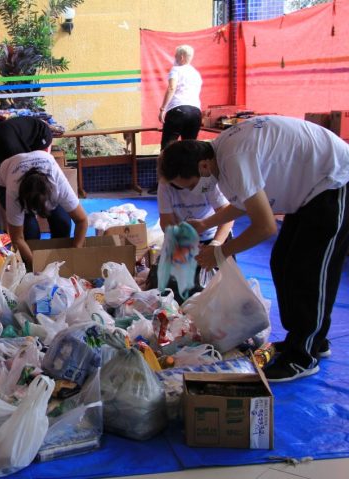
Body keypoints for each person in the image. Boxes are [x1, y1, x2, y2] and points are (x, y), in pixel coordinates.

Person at [159, 115, 349, 382]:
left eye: (190, 185)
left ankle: (303, 356)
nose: (192, 191)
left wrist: (220, 252)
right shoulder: (219, 156)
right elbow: (246, 201)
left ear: (202, 166)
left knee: (310, 270)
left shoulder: (233, 160)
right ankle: (306, 339)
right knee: (282, 261)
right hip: (308, 192)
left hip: (333, 182)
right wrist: (206, 222)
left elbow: (265, 226)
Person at [0, 146, 88, 269]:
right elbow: (17, 238)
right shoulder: (13, 192)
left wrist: (75, 251)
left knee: (62, 223)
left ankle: (59, 258)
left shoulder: (58, 186)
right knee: (30, 231)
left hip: (43, 173)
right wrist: (37, 267)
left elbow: (82, 220)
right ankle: (29, 264)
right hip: (5, 179)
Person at [148, 180, 234, 299]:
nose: (191, 190)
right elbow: (167, 223)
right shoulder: (165, 184)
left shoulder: (208, 181)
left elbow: (228, 217)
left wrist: (215, 244)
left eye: (192, 185)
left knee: (217, 291)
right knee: (166, 287)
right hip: (183, 240)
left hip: (214, 237)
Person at [149, 44, 203, 194]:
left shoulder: (176, 70)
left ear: (181, 57)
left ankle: (162, 184)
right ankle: (189, 184)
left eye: (176, 56)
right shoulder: (196, 74)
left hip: (178, 110)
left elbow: (172, 88)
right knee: (190, 149)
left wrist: (163, 108)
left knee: (167, 148)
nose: (174, 59)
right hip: (195, 112)